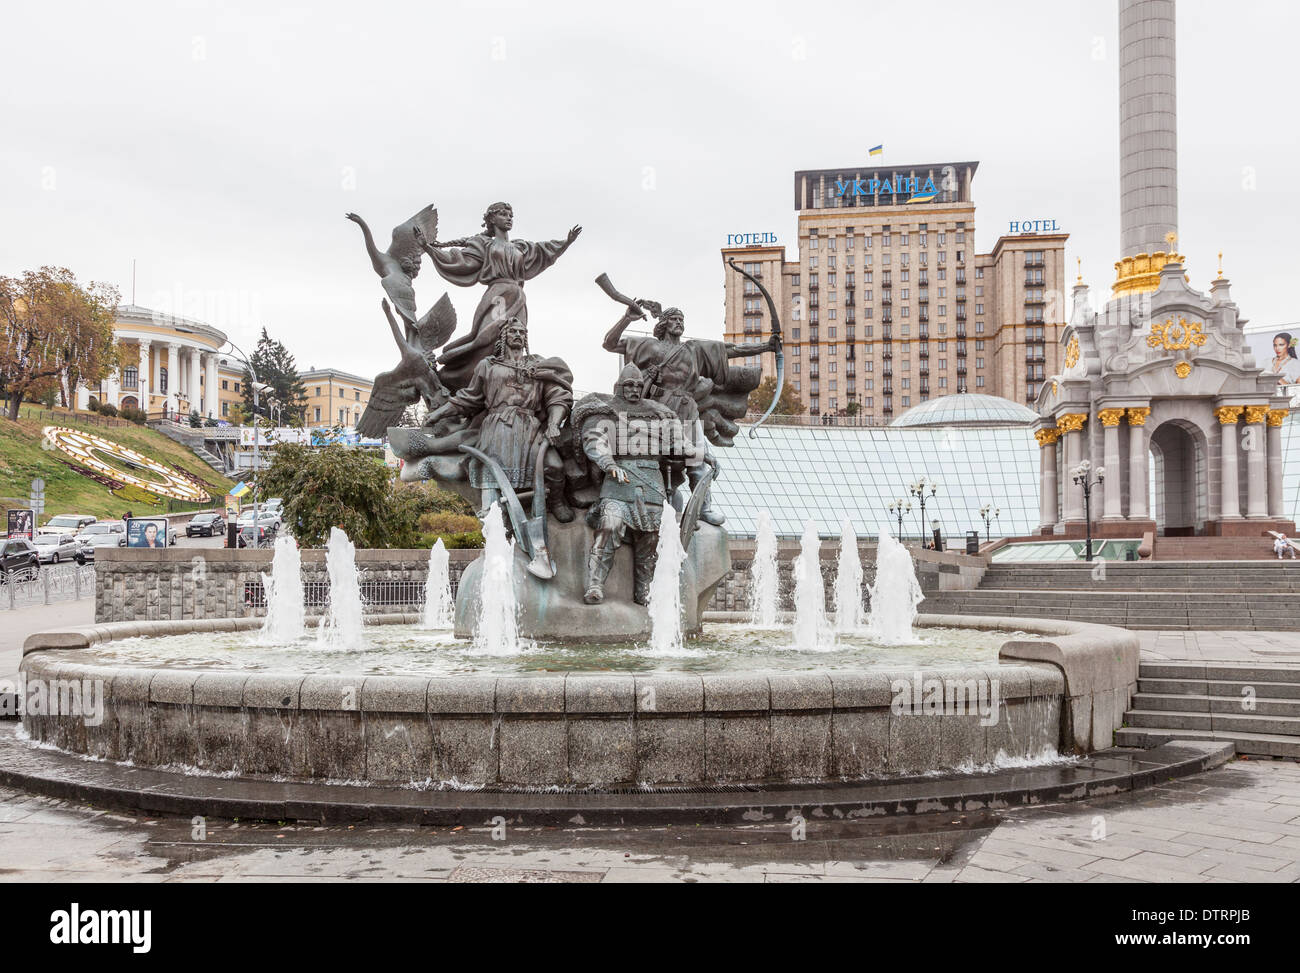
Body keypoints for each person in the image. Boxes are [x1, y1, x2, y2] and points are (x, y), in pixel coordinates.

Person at [602, 303, 777, 526]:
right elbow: (609, 343)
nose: (679, 323)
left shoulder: (694, 350)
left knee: (697, 460)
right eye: (674, 319)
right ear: (664, 324)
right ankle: (652, 498)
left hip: (687, 409)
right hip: (658, 409)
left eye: (681, 319)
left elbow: (730, 349)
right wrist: (627, 318)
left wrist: (766, 347)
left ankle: (704, 508)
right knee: (652, 458)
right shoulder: (649, 346)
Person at [423, 317, 574, 521]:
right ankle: (494, 522)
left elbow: (557, 395)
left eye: (522, 332)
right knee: (493, 477)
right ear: (503, 336)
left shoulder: (538, 364)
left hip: (530, 429)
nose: (518, 335)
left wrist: (554, 424)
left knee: (554, 466)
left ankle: (556, 501)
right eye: (513, 332)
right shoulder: (488, 365)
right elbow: (469, 398)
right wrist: (438, 414)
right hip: (498, 428)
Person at [577, 364, 679, 606]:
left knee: (651, 537)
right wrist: (608, 463)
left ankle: (644, 590)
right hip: (618, 482)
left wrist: (702, 455)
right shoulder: (607, 411)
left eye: (637, 385)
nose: (634, 389)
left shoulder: (658, 413)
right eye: (629, 385)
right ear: (620, 387)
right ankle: (595, 584)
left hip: (652, 483)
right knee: (610, 525)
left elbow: (680, 442)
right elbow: (594, 440)